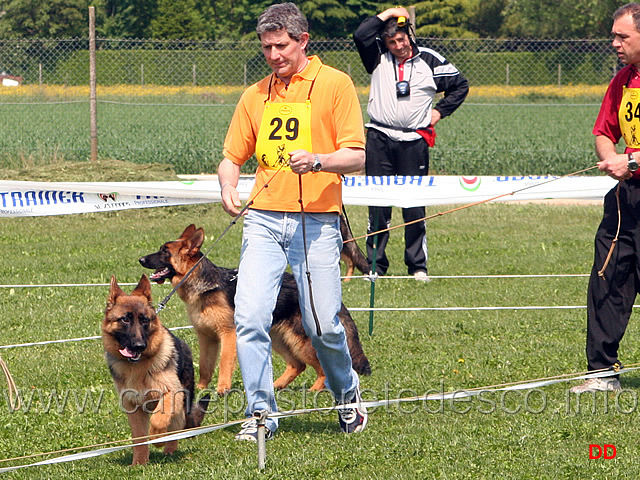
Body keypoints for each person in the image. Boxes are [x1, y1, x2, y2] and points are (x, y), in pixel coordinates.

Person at [217, 2, 368, 440]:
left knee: (322, 325)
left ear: (303, 41)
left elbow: (356, 155)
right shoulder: (255, 95)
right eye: (266, 47)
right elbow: (232, 157)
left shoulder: (335, 85)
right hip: (263, 221)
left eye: (281, 46)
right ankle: (260, 414)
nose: (274, 55)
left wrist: (320, 160)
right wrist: (228, 185)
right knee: (248, 318)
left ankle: (347, 394)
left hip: (317, 223)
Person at [354, 7, 468, 281]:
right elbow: (361, 35)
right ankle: (375, 266)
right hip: (380, 137)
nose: (398, 46)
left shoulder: (430, 60)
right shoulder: (378, 56)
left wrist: (439, 112)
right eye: (392, 42)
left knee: (414, 205)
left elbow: (460, 85)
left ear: (409, 36)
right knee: (378, 204)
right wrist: (389, 13)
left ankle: (417, 266)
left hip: (414, 140)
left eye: (402, 40)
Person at [570, 3, 640, 393]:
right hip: (626, 200)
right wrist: (611, 158)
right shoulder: (623, 81)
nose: (614, 43)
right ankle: (601, 372)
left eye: (622, 36)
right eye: (614, 35)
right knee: (608, 279)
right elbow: (603, 130)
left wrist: (633, 160)